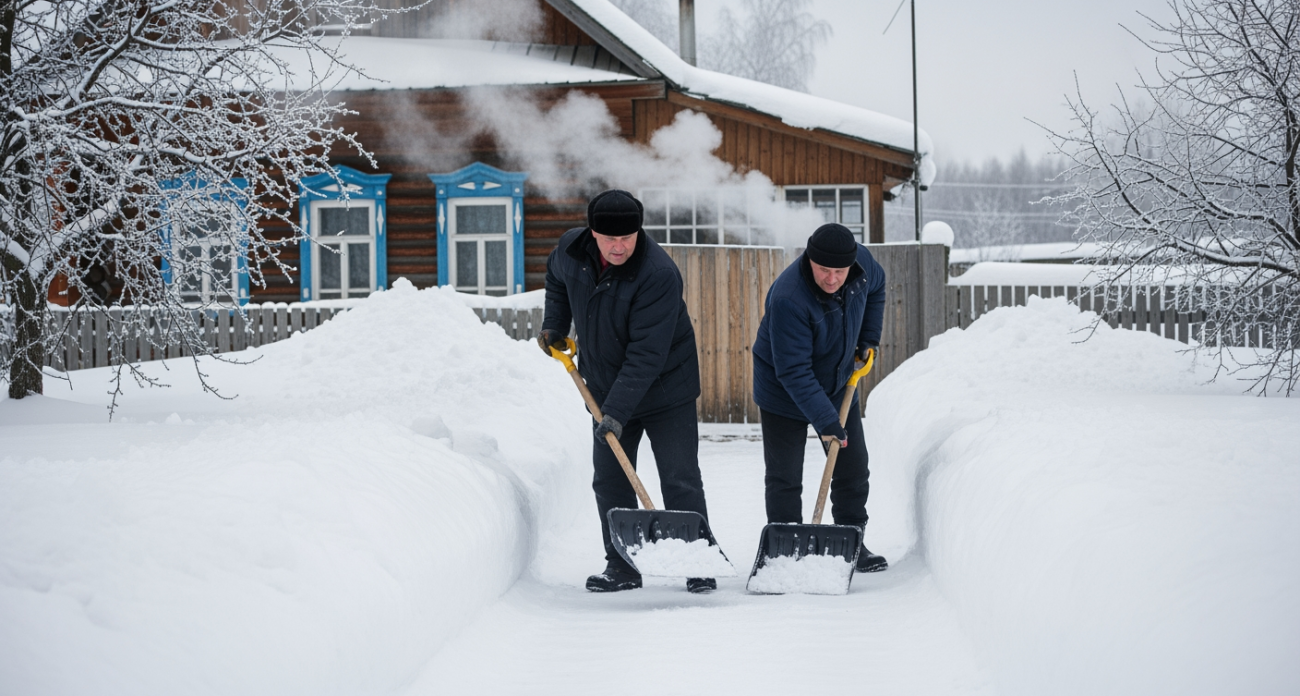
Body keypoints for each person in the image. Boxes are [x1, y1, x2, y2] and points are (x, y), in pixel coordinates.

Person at [537, 189, 716, 594]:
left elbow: (646, 355)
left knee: (679, 476)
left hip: (665, 388)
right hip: (604, 385)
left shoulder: (657, 274)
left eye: (628, 238)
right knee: (610, 480)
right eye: (609, 238)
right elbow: (556, 281)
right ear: (592, 233)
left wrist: (615, 411)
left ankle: (697, 560)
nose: (619, 247)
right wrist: (555, 324)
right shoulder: (570, 250)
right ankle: (622, 565)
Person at [751, 222, 889, 573]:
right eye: (823, 270)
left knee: (853, 469)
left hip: (839, 381)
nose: (832, 279)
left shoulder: (862, 267)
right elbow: (793, 371)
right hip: (784, 393)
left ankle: (851, 540)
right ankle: (784, 553)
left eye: (839, 271)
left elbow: (878, 287)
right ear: (809, 259)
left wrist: (868, 339)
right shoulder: (789, 298)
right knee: (784, 477)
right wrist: (827, 422)